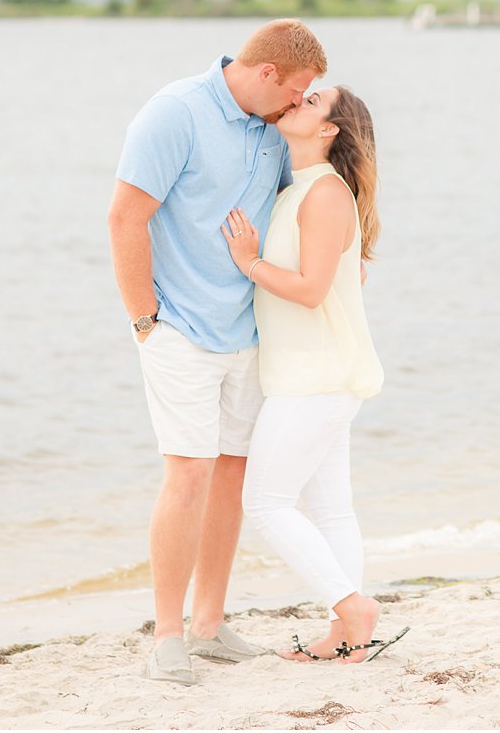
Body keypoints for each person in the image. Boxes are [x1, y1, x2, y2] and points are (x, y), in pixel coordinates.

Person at [109, 19, 327, 685]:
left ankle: (208, 624)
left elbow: (311, 198)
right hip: (179, 330)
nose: (298, 105)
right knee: (190, 476)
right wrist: (145, 319)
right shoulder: (175, 112)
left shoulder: (272, 128)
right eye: (295, 92)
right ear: (266, 74)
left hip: (250, 331)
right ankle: (167, 636)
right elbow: (125, 216)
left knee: (233, 475)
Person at [221, 85, 405, 664]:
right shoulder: (301, 188)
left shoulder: (324, 194)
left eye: (312, 100)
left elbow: (310, 290)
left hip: (316, 377)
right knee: (331, 510)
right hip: (317, 374)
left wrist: (249, 262)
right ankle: (346, 635)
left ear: (330, 130)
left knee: (267, 503)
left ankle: (352, 606)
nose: (297, 100)